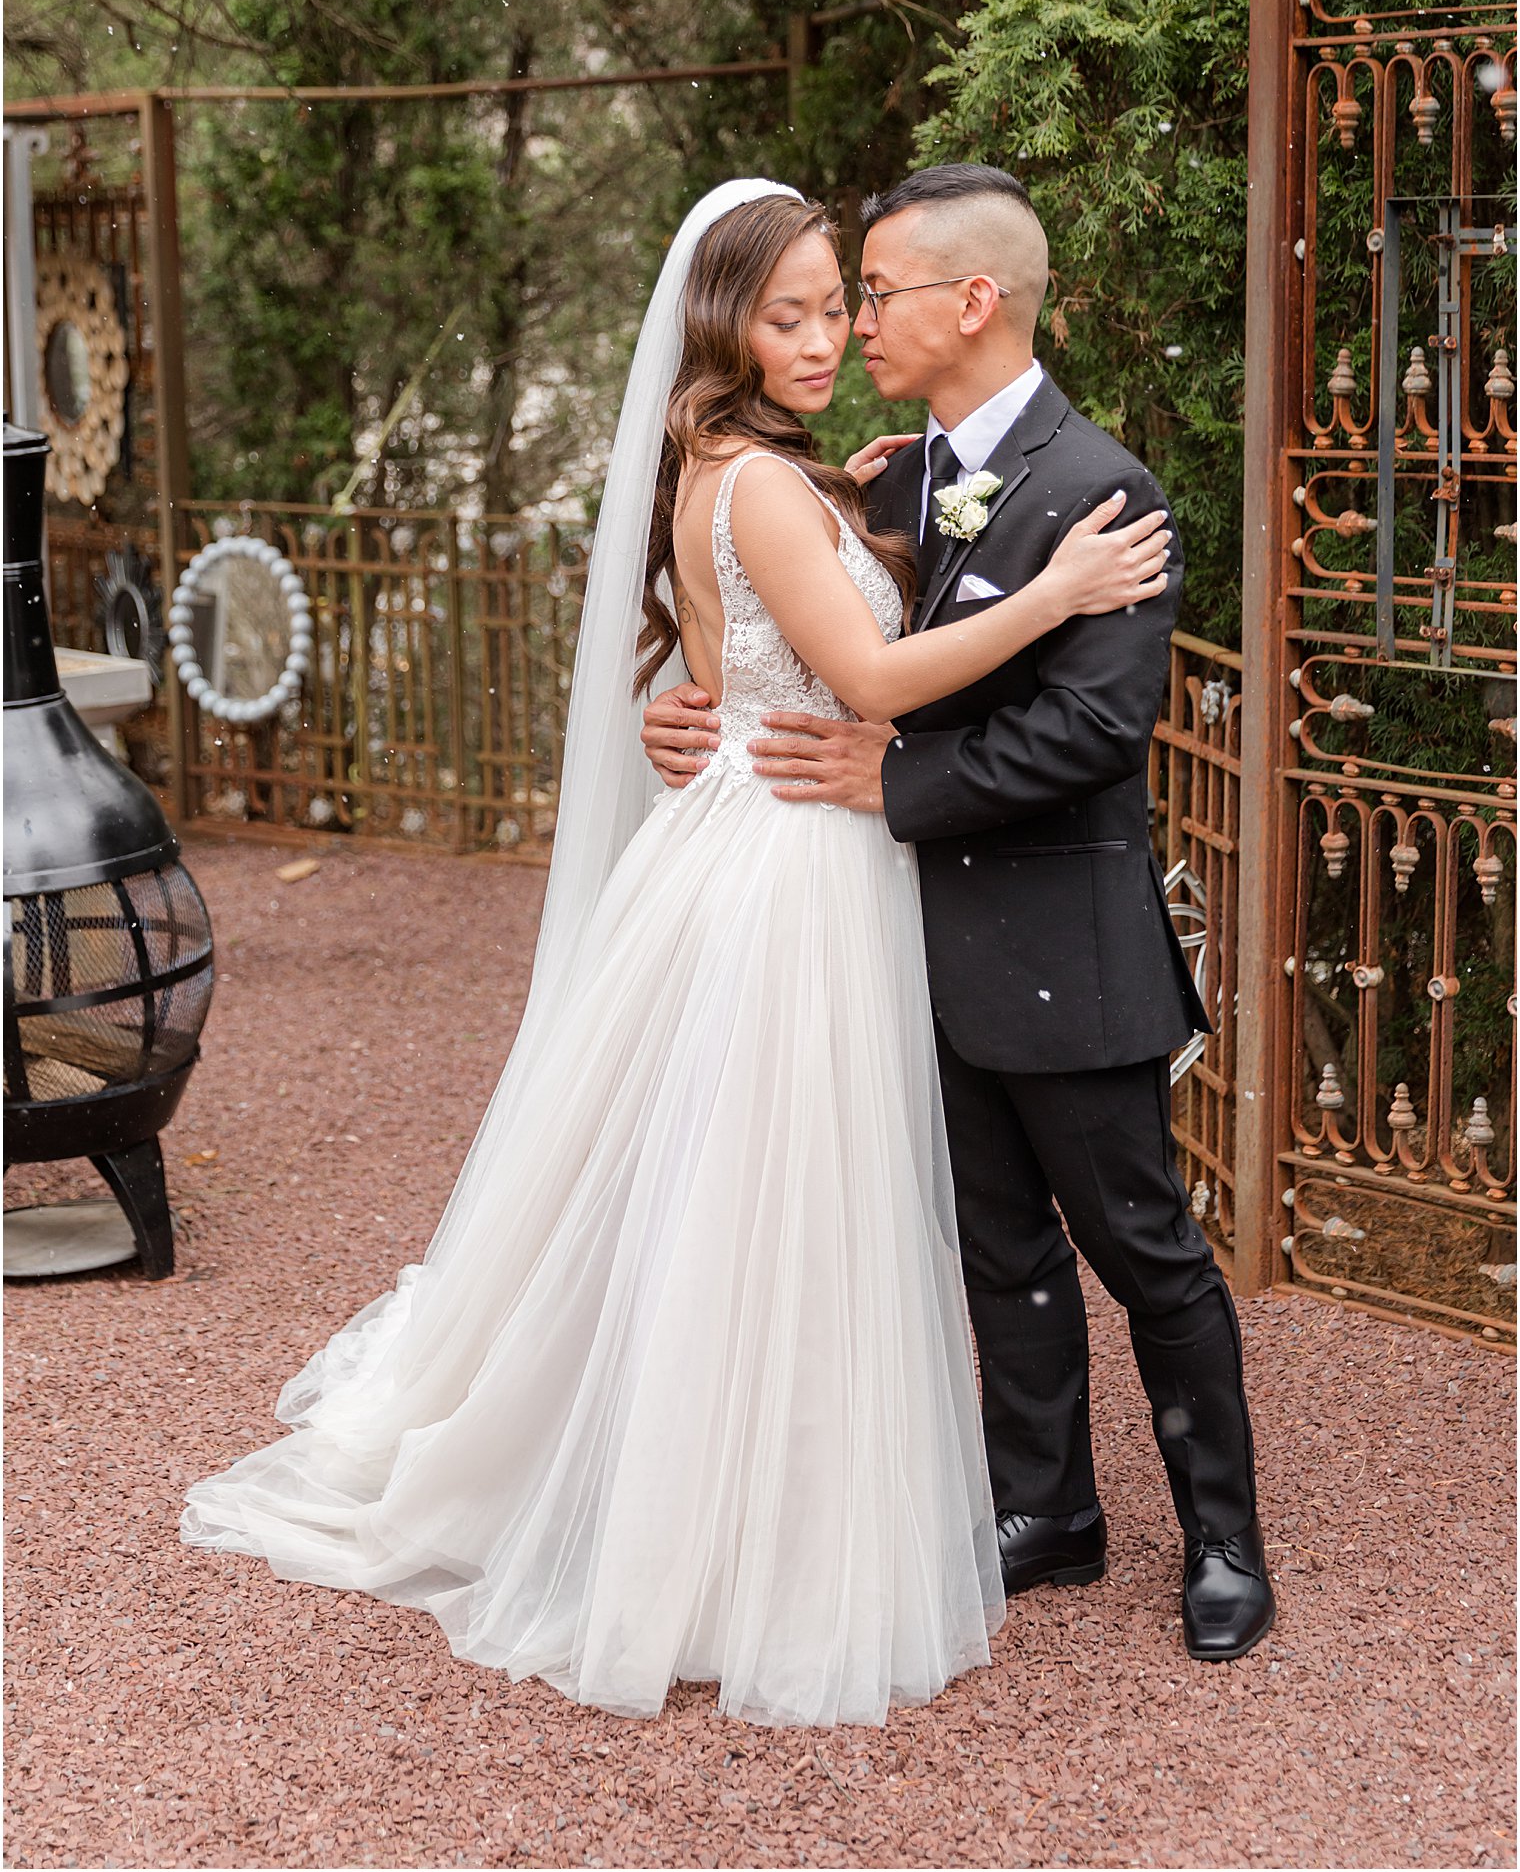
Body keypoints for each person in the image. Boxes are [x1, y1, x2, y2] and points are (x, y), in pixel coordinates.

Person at [182, 180, 1170, 1727]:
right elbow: (868, 672)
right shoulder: (762, 486)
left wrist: (865, 514)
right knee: (768, 1196)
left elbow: (738, 661)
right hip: (790, 867)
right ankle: (726, 1533)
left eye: (838, 304)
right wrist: (1053, 589)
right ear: (718, 323)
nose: (827, 335)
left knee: (763, 1191)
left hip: (778, 836)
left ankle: (753, 1492)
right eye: (788, 314)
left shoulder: (764, 472)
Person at [642, 163, 1276, 1664]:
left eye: (876, 295)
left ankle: (1225, 1539)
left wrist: (892, 782)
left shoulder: (1108, 491)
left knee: (1145, 1246)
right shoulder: (886, 477)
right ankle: (1044, 1509)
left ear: (973, 300)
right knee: (998, 1242)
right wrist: (693, 711)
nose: (856, 322)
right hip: (907, 947)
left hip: (1066, 952)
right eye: (836, 301)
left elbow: (1094, 733)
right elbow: (764, 624)